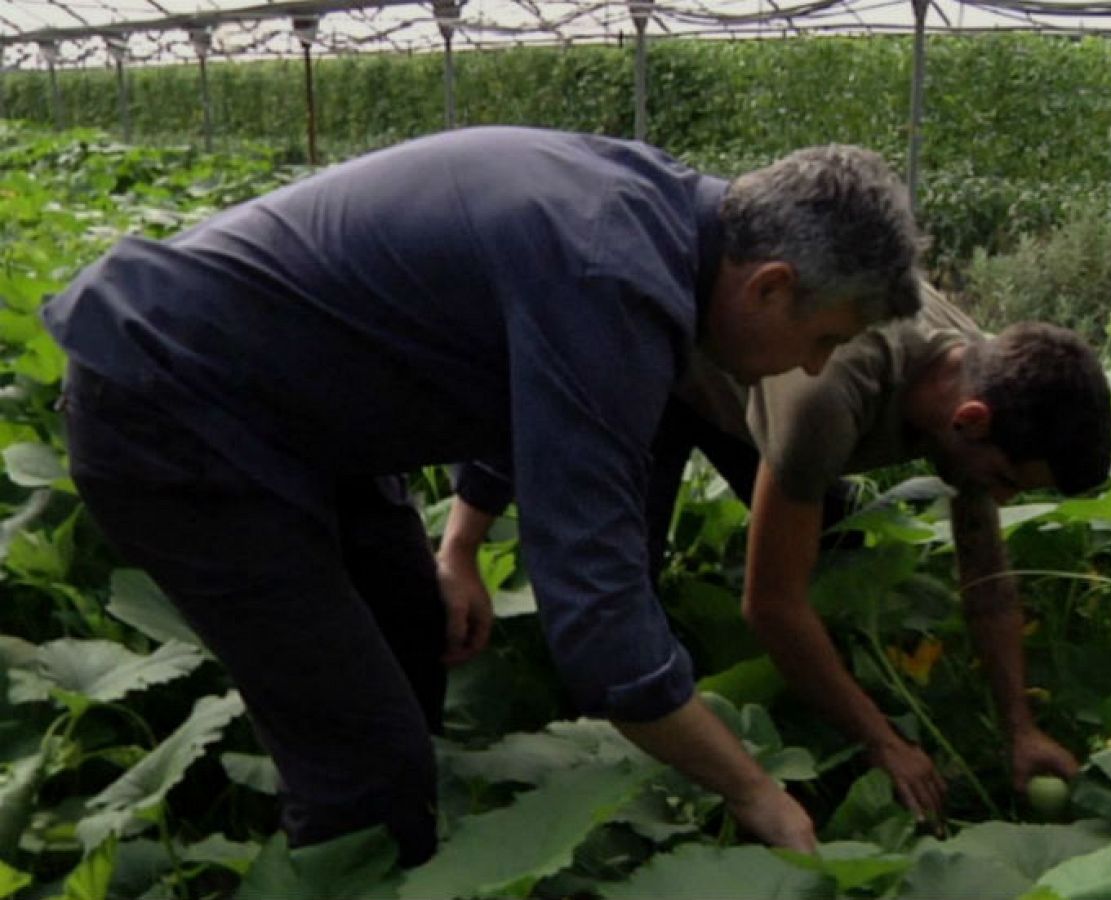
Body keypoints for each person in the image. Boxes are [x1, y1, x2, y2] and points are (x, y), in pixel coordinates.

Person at [42, 126, 924, 864]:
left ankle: (393, 847)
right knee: (366, 765)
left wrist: (460, 545)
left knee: (409, 634)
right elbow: (600, 620)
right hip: (173, 406)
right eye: (822, 339)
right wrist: (752, 789)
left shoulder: (656, 217)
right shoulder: (610, 274)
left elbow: (533, 375)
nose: (815, 369)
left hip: (291, 408)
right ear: (771, 286)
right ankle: (356, 856)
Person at [441, 284, 1111, 824]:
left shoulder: (983, 372)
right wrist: (885, 742)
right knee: (620, 597)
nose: (999, 499)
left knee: (838, 548)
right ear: (970, 420)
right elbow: (769, 605)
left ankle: (806, 712)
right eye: (1003, 480)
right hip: (672, 375)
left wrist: (1021, 729)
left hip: (765, 383)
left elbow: (987, 581)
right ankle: (603, 764)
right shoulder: (829, 394)